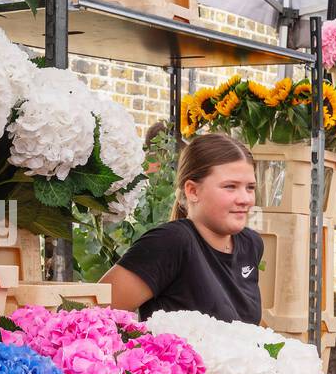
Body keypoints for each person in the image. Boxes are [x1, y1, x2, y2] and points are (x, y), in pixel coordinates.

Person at [102, 133, 263, 323]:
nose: (245, 199)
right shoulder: (171, 242)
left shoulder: (251, 244)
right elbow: (88, 318)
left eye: (250, 187)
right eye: (230, 187)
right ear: (192, 191)